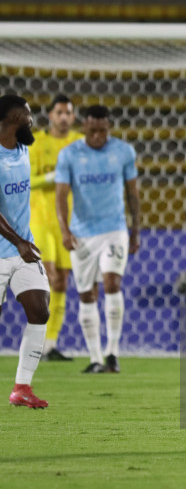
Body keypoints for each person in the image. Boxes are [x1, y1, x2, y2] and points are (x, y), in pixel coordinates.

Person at [55, 105, 141, 374]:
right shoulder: (69, 154)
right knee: (85, 294)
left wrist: (135, 229)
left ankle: (112, 354)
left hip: (114, 229)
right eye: (92, 131)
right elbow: (60, 196)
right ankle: (94, 359)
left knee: (112, 283)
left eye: (102, 131)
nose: (97, 136)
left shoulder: (123, 151)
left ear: (109, 128)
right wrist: (65, 231)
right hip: (82, 233)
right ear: (84, 128)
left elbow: (133, 194)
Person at [0, 94, 51, 408]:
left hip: (23, 249)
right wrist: (18, 241)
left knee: (39, 310)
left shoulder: (23, 151)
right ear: (15, 118)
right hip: (9, 247)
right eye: (29, 115)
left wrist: (22, 243)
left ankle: (22, 388)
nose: (33, 120)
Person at [29, 94, 83, 362]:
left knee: (62, 280)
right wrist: (53, 176)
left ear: (73, 118)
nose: (64, 117)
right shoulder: (37, 142)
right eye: (59, 112)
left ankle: (49, 346)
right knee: (47, 278)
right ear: (50, 115)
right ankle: (36, 341)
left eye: (68, 113)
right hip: (40, 219)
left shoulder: (79, 144)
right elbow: (28, 180)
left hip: (69, 222)